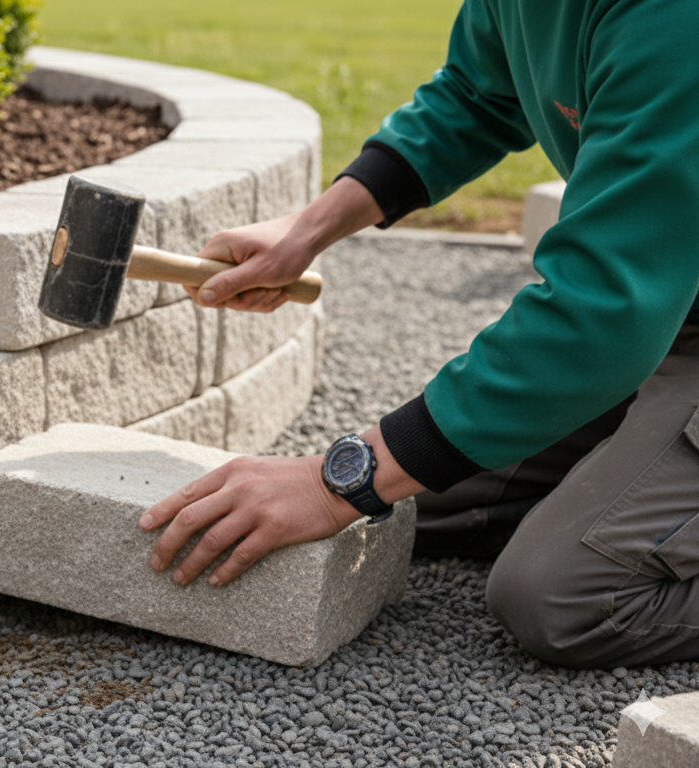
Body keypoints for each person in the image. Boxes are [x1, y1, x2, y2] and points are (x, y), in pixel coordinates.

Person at [140, 0, 699, 669]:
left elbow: (603, 311)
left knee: (562, 595)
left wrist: (335, 484)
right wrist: (305, 230)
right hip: (666, 304)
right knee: (420, 502)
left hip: (651, 312)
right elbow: (474, 97)